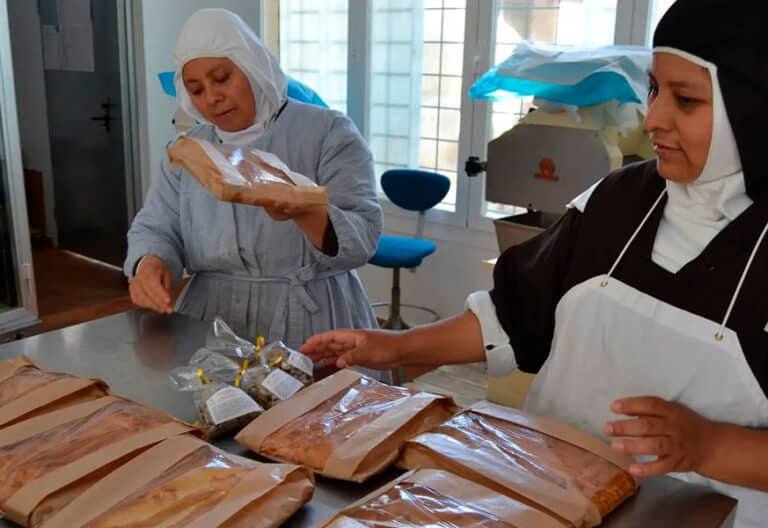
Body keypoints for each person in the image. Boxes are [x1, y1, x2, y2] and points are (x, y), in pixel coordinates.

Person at [302, 1, 768, 525]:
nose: (654, 118)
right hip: (543, 494)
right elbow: (515, 313)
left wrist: (708, 445)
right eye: (655, 89)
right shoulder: (617, 201)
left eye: (687, 100)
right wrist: (396, 346)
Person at [124, 9, 382, 355]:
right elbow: (157, 227)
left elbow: (363, 234)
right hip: (212, 315)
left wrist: (305, 210)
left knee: (313, 392)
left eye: (222, 78)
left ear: (252, 65)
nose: (211, 97)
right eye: (196, 89)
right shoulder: (188, 151)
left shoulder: (328, 133)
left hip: (313, 317)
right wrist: (149, 263)